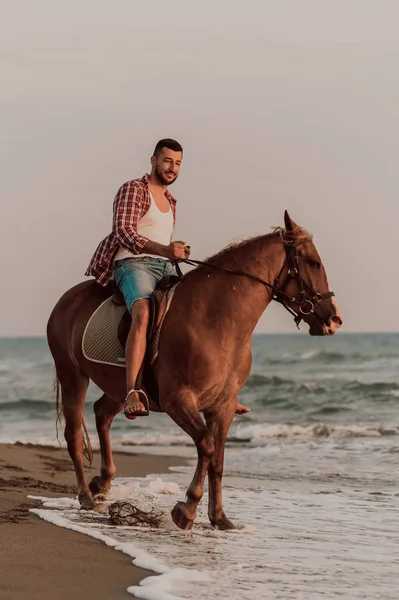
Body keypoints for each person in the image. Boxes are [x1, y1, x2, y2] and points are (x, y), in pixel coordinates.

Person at [86, 138, 250, 418]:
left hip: (164, 266)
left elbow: (162, 238)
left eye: (177, 163)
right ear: (153, 161)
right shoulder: (133, 189)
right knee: (143, 312)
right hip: (132, 264)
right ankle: (131, 392)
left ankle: (217, 393)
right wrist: (163, 249)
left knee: (196, 314)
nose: (172, 168)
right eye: (167, 161)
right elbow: (123, 232)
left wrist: (175, 252)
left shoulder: (171, 201)